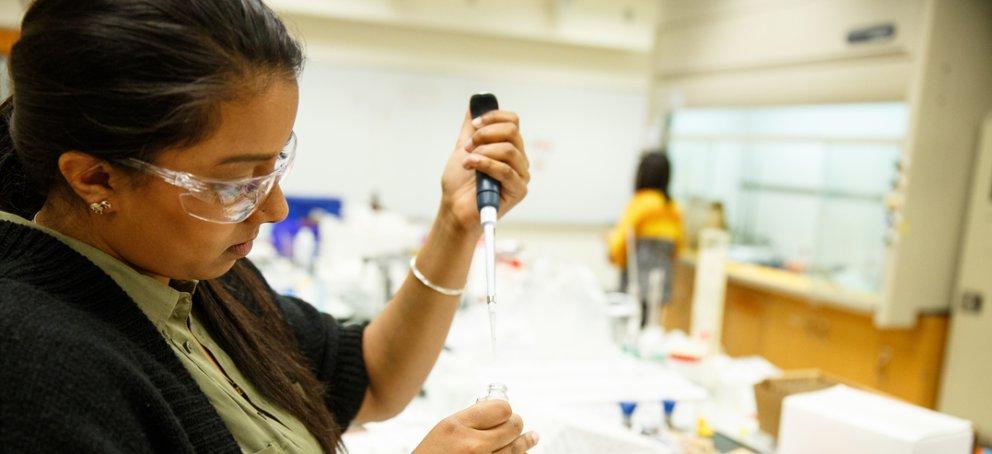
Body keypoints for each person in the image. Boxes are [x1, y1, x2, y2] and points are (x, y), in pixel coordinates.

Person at [0, 1, 535, 453]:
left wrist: (455, 223)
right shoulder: (35, 364)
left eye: (276, 164)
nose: (275, 208)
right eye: (235, 183)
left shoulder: (190, 271)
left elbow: (370, 378)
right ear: (96, 178)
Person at [607, 151, 684, 327]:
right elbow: (677, 248)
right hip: (661, 287)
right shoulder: (673, 208)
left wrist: (611, 250)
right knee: (652, 325)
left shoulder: (640, 203)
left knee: (629, 328)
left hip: (635, 286)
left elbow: (620, 242)